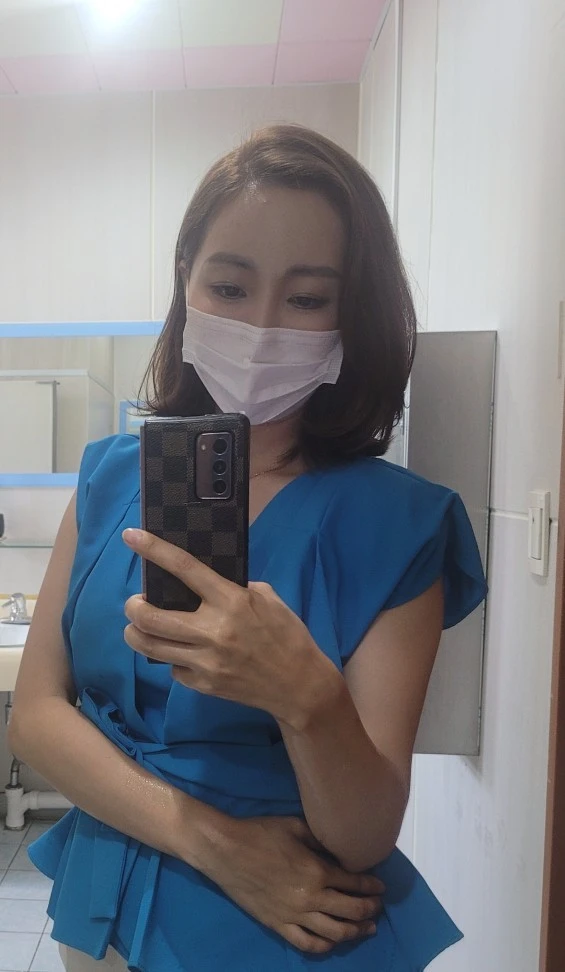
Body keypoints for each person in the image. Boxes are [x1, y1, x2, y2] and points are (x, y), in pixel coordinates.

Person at [9, 125, 487, 972]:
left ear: (351, 314)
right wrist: (216, 842)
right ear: (185, 282)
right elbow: (37, 717)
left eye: (307, 299)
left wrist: (306, 697)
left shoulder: (400, 526)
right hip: (103, 910)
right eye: (228, 286)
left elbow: (365, 832)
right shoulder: (109, 477)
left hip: (286, 934)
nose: (261, 327)